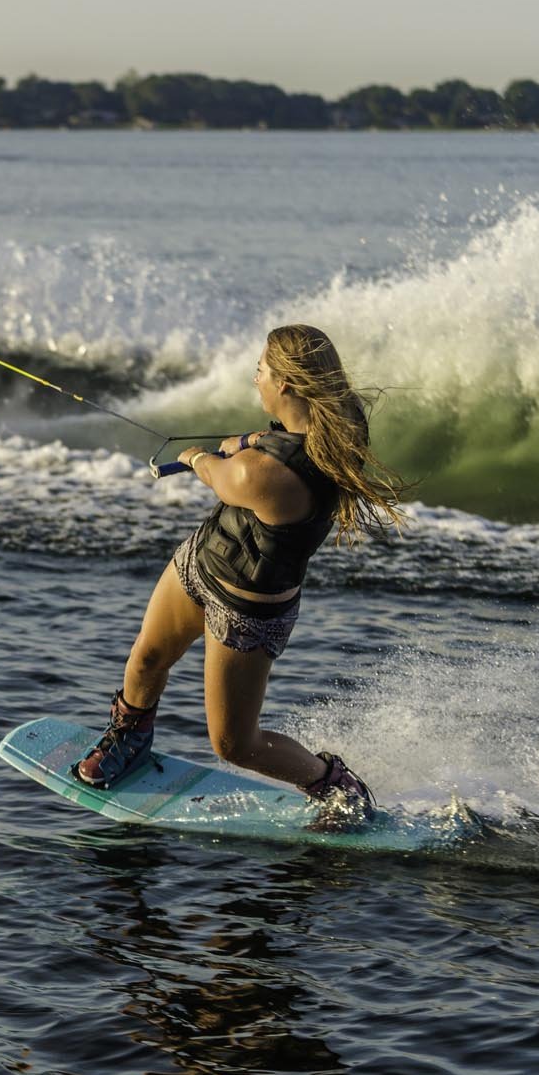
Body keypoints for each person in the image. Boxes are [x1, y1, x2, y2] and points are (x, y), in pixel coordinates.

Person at [75, 324, 410, 824]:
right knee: (146, 659)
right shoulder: (320, 427)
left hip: (247, 612)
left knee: (235, 744)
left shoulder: (265, 475)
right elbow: (269, 443)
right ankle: (130, 738)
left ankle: (334, 784)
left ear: (286, 386)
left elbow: (222, 476)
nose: (255, 379)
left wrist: (196, 456)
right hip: (201, 563)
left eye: (261, 371)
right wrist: (249, 438)